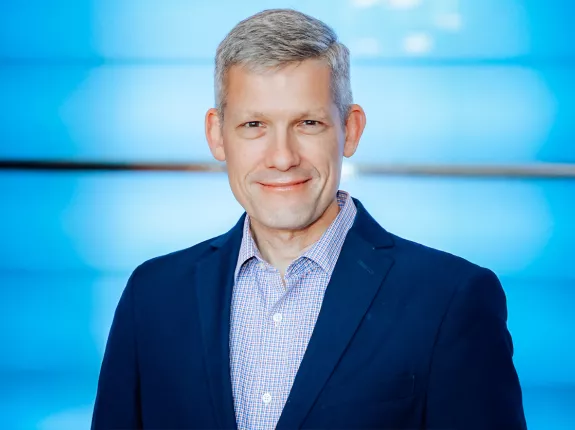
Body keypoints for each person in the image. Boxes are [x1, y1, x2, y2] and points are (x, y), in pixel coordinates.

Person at [91, 8, 527, 430]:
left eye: (309, 123)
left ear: (350, 129)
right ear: (216, 134)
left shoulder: (450, 299)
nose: (282, 157)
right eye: (254, 124)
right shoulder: (153, 297)